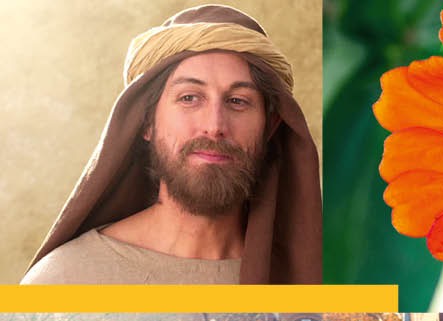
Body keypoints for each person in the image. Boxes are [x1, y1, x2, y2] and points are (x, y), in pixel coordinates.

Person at [21, 5, 320, 284]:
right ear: (146, 121)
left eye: (238, 101)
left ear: (271, 126)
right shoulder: (65, 279)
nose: (214, 126)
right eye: (189, 98)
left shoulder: (310, 276)